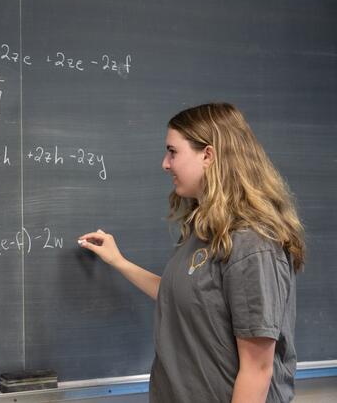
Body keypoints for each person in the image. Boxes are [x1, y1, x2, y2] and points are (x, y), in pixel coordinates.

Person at [79, 103, 304, 403]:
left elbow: (258, 370)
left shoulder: (253, 245)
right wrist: (119, 262)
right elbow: (180, 295)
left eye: (173, 152)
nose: (165, 164)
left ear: (208, 155)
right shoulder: (206, 232)